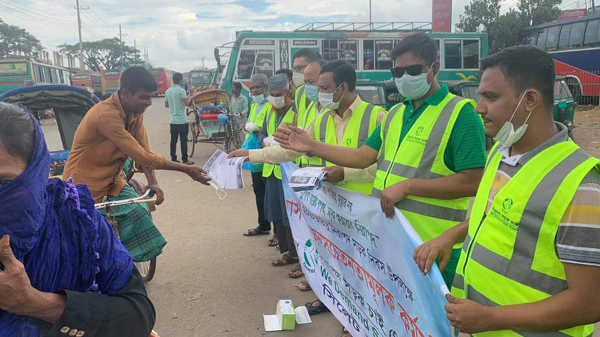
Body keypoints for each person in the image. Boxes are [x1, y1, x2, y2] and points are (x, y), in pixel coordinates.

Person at [274, 33, 487, 289]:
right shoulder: (396, 113)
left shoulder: (461, 114)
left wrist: (408, 187)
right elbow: (363, 157)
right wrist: (312, 145)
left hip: (433, 245)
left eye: (414, 69)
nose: (405, 77)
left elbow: (474, 181)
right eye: (398, 71)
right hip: (391, 240)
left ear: (435, 67)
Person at [414, 46, 600, 336]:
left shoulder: (581, 185)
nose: (478, 107)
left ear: (529, 100)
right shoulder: (501, 153)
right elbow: (492, 218)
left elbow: (589, 303)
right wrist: (449, 236)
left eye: (491, 97)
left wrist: (491, 318)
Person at [230, 60, 386, 311]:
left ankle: (360, 316)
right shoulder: (323, 118)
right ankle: (334, 303)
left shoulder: (377, 117)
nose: (318, 93)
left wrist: (345, 172)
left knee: (362, 267)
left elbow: (385, 167)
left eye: (323, 87)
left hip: (364, 210)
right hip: (331, 205)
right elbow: (290, 151)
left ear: (342, 87)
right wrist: (249, 155)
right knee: (333, 260)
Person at [0, 102, 155, 337]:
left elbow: (136, 316)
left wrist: (35, 303)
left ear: (35, 174)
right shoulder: (105, 117)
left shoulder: (77, 222)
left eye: (3, 183)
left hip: (102, 187)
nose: (146, 102)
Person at [62, 66, 210, 263]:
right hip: (84, 186)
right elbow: (143, 156)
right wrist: (187, 169)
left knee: (140, 210)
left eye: (151, 97)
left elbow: (144, 152)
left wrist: (153, 182)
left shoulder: (134, 112)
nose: (149, 102)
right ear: (125, 93)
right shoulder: (106, 115)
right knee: (90, 237)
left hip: (114, 181)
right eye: (144, 97)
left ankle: (125, 261)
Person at [257, 74, 298, 267]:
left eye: (279, 94)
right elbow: (263, 132)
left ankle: (298, 255)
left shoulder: (296, 111)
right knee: (277, 213)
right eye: (272, 94)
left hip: (289, 171)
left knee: (291, 213)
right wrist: (264, 141)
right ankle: (287, 251)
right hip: (271, 170)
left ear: (288, 92)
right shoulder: (268, 110)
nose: (275, 98)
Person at [242, 73, 272, 238]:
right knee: (259, 192)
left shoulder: (270, 106)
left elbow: (271, 130)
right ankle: (263, 225)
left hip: (266, 154)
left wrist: (257, 128)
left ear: (265, 88)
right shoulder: (254, 105)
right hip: (254, 154)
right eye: (252, 87)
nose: (254, 90)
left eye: (257, 87)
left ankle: (277, 232)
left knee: (270, 193)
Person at [165, 72, 193, 165]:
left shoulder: (168, 91)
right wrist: (190, 97)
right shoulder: (181, 90)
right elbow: (186, 103)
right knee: (183, 141)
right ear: (181, 80)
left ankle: (173, 158)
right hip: (181, 120)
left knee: (173, 140)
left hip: (172, 120)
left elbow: (166, 105)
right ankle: (185, 159)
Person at [291, 49, 320, 130]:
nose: (296, 72)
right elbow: (296, 121)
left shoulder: (326, 93)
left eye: (299, 68)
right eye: (294, 68)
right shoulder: (299, 92)